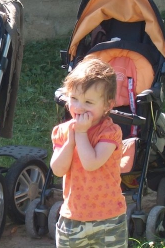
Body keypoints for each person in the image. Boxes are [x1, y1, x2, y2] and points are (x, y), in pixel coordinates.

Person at [50, 57, 127, 248]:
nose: (79, 107)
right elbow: (58, 170)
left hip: (109, 218)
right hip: (73, 216)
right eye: (74, 98)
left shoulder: (110, 132)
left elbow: (91, 163)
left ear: (107, 106)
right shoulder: (62, 131)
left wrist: (81, 133)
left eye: (88, 102)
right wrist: (70, 142)